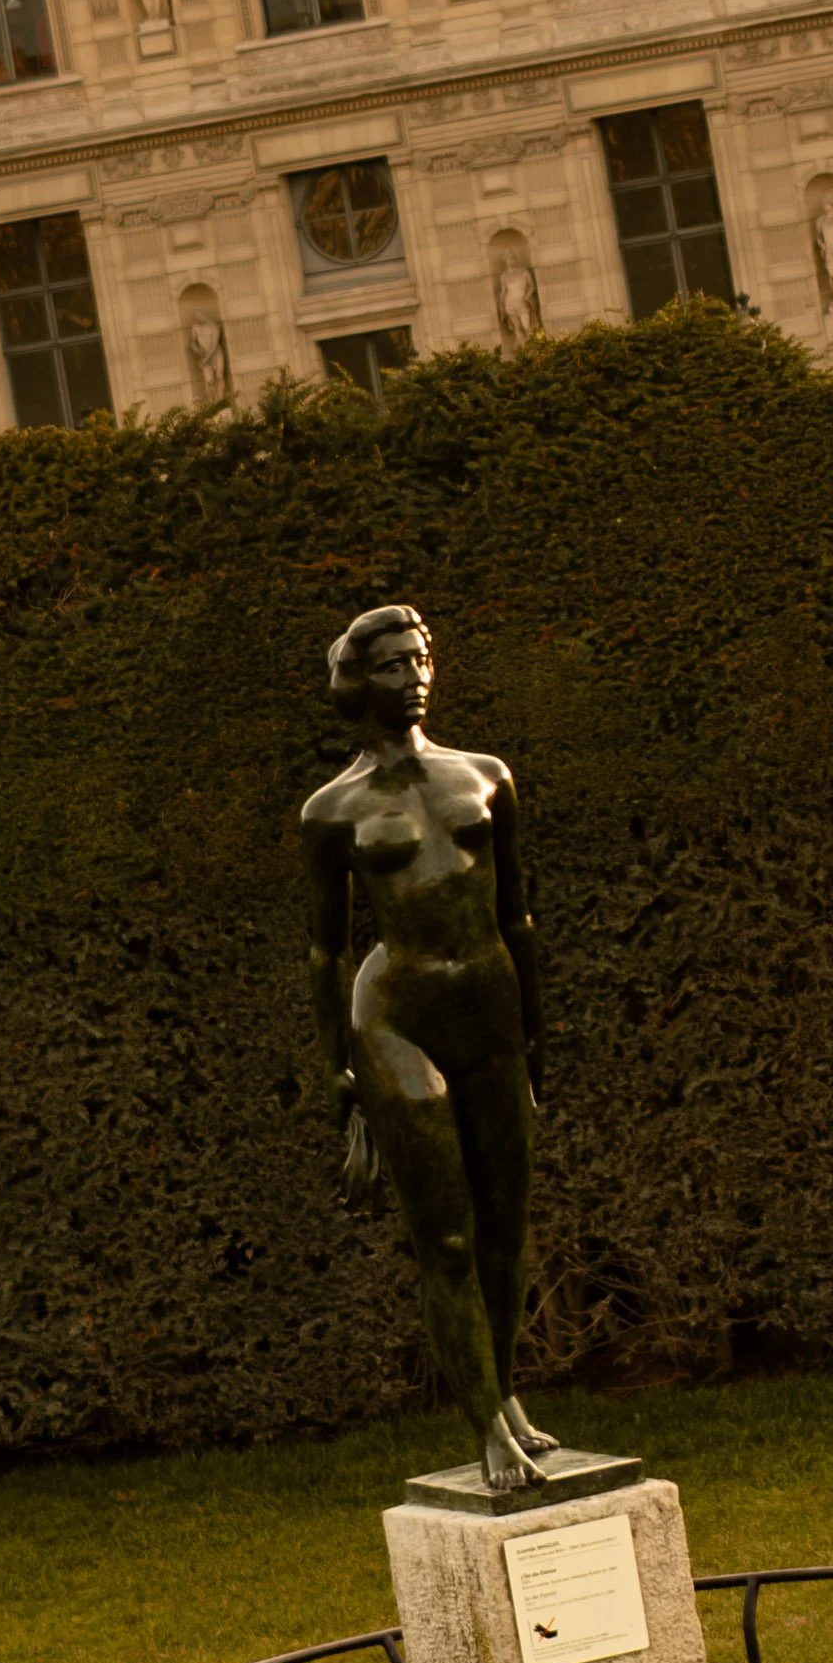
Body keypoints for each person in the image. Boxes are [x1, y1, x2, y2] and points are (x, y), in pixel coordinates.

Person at [300, 606, 558, 1493]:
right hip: (396, 1019)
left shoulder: (486, 776)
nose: (415, 675)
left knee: (507, 1228)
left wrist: (535, 1038)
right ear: (358, 681)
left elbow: (517, 914)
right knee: (446, 1236)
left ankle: (507, 1394)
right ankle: (485, 1422)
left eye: (422, 658)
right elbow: (326, 952)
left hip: (488, 1008)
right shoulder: (330, 811)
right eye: (394, 664)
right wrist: (343, 1080)